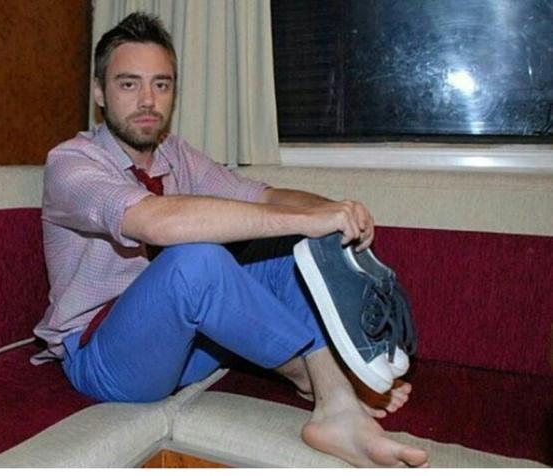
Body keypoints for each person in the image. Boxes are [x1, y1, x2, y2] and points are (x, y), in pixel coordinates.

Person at [32, 12, 429, 468]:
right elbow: (154, 222)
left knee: (287, 249)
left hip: (187, 347)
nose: (147, 100)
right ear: (100, 92)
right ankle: (318, 377)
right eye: (128, 84)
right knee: (196, 262)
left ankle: (335, 408)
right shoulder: (71, 162)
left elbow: (265, 196)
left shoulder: (175, 155)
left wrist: (335, 209)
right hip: (104, 356)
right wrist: (304, 218)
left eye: (161, 84)